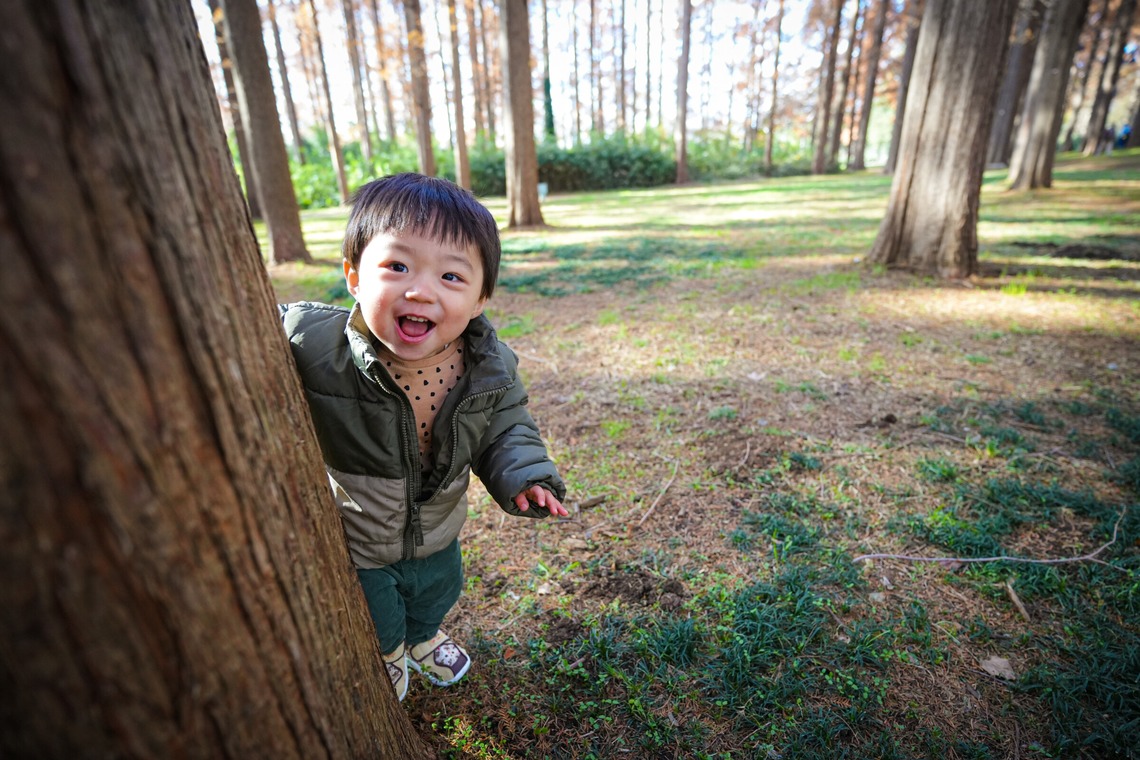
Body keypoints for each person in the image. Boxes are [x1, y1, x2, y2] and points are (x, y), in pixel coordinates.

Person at [280, 173, 567, 702]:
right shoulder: (320, 347)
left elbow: (506, 426)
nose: (420, 289)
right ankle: (390, 652)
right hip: (360, 532)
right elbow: (270, 322)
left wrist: (526, 477)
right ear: (353, 276)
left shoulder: (488, 368)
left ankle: (423, 636)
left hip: (437, 523)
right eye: (397, 266)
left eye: (452, 277)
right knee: (374, 608)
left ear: (481, 299)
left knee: (439, 587)